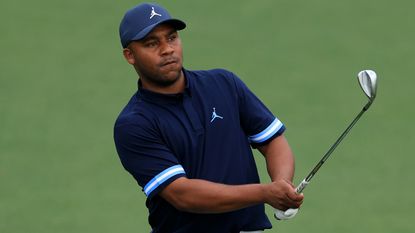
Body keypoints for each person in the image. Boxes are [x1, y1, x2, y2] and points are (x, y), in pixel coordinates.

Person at [114, 3, 304, 233]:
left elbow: (273, 141)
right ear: (129, 55)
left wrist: (281, 185)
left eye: (171, 38)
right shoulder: (134, 124)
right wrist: (265, 193)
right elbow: (182, 194)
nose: (167, 49)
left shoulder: (224, 84)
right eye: (152, 43)